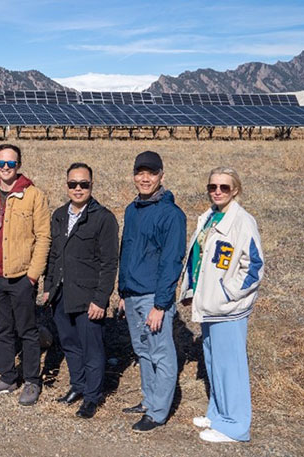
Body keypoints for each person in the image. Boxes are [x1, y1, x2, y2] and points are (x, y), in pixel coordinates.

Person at [179, 167, 264, 443]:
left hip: (228, 308)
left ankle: (236, 425)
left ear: (235, 190)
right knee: (214, 363)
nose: (217, 191)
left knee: (231, 367)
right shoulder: (210, 216)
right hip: (210, 305)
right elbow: (200, 258)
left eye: (224, 187)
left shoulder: (242, 221)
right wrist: (194, 289)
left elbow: (254, 266)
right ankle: (218, 414)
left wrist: (227, 294)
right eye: (212, 186)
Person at [117, 150, 186, 432]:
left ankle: (157, 412)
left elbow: (172, 261)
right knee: (143, 351)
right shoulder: (132, 210)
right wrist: (122, 292)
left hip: (152, 297)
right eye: (140, 173)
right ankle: (148, 400)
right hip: (132, 294)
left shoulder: (171, 215)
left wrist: (160, 304)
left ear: (161, 176)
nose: (145, 178)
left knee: (161, 354)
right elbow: (127, 251)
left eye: (151, 173)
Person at [43, 163, 119, 419]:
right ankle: (78, 386)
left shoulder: (103, 218)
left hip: (88, 297)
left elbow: (109, 263)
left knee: (92, 349)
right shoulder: (59, 215)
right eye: (73, 184)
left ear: (91, 185)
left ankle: (92, 396)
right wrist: (47, 288)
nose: (78, 189)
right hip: (61, 294)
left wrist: (100, 299)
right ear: (66, 186)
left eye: (83, 184)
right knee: (70, 344)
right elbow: (54, 256)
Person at [0, 143, 51, 406]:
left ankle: (32, 380)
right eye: (1, 163)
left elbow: (43, 237)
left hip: (22, 276)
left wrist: (32, 275)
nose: (6, 168)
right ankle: (7, 377)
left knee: (27, 331)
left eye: (11, 164)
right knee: (1, 328)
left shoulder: (33, 195)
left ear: (19, 165)